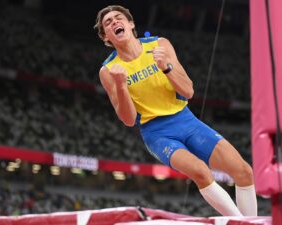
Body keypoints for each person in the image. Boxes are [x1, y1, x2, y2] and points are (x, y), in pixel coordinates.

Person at [94, 5, 257, 216]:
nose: (115, 22)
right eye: (108, 23)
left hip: (186, 120)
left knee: (244, 172)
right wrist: (121, 85)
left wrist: (166, 68)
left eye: (118, 18)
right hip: (157, 133)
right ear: (106, 37)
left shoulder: (160, 45)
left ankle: (250, 222)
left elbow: (188, 91)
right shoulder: (108, 71)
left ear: (131, 23)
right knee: (201, 172)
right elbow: (128, 119)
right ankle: (239, 222)